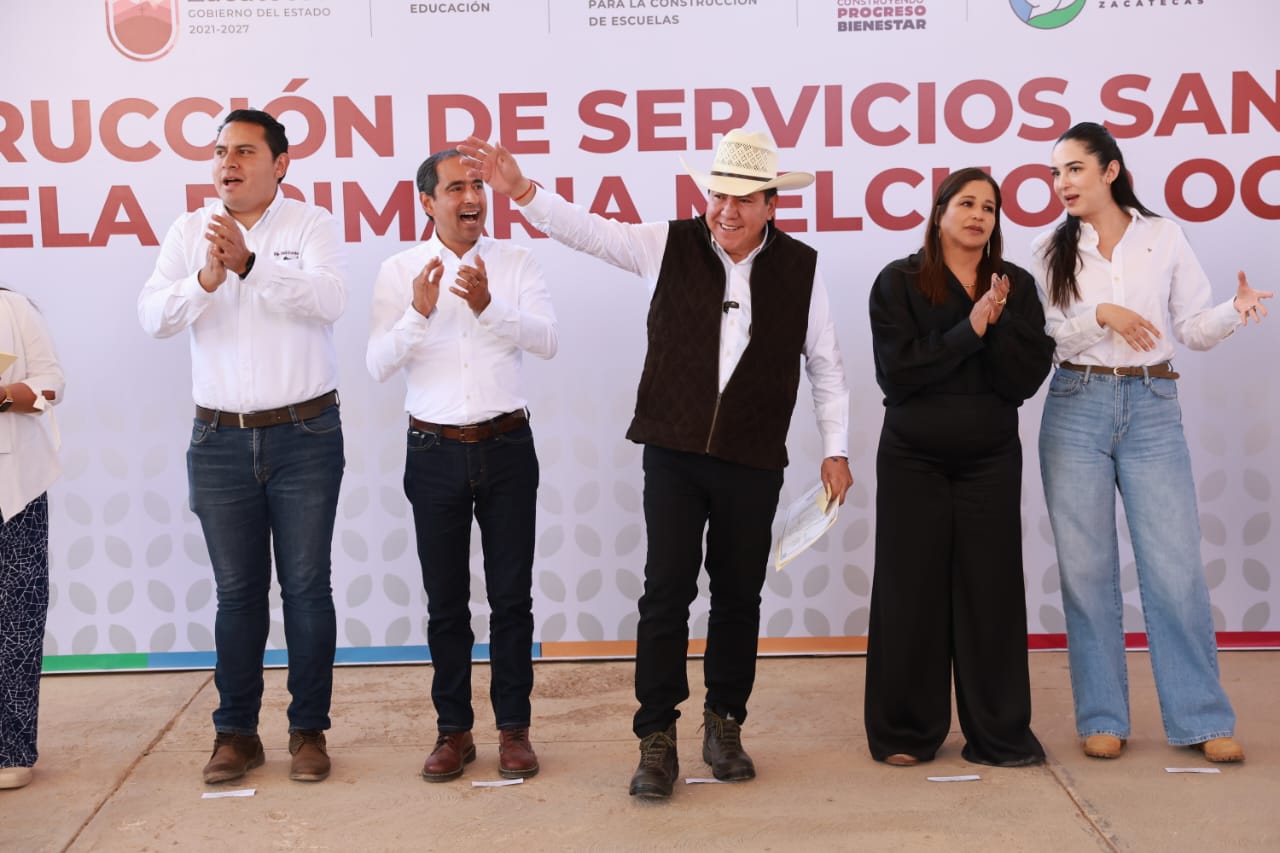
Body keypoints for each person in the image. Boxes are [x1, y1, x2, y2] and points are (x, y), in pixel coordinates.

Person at [459, 129, 854, 799]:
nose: (726, 210)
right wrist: (522, 190)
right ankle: (656, 736)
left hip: (754, 458)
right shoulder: (664, 244)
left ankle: (725, 723)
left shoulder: (802, 269)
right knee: (666, 592)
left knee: (739, 596)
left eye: (743, 199)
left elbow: (827, 366)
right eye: (717, 194)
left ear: (771, 205)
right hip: (673, 453)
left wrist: (835, 448)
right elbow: (589, 232)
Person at [1033, 121, 1271, 763]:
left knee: (1175, 568)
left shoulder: (1163, 235)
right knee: (1086, 573)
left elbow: (1190, 329)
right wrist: (1101, 315)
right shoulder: (1048, 248)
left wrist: (1232, 310)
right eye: (1056, 173)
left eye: (1074, 169)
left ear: (1110, 170)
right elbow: (1049, 335)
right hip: (1075, 405)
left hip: (1152, 405)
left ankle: (1201, 718)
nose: (1062, 183)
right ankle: (1101, 715)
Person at [138, 109, 347, 785]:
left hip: (305, 435)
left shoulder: (310, 224)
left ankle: (308, 731)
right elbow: (152, 317)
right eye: (221, 151)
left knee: (307, 588)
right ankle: (236, 734)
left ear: (280, 163)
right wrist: (206, 279)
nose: (227, 162)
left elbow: (329, 300)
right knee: (236, 593)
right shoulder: (188, 230)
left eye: (245, 151)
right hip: (219, 438)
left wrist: (250, 265)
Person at [367, 149, 557, 782]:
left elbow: (548, 340)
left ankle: (514, 731)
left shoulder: (516, 262)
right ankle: (454, 731)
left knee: (511, 599)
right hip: (433, 452)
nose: (472, 197)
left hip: (507, 447)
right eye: (456, 187)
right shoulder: (399, 271)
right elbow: (377, 364)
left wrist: (490, 307)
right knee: (446, 603)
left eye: (478, 185)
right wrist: (418, 313)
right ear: (428, 202)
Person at [864, 169, 1054, 768]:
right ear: (940, 212)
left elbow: (1024, 378)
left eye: (989, 208)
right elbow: (898, 374)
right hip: (912, 458)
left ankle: (998, 733)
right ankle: (904, 731)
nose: (978, 216)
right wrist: (970, 329)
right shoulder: (898, 281)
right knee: (909, 590)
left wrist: (996, 322)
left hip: (990, 459)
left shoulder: (1015, 285)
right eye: (967, 203)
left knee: (991, 592)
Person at [0, 287, 64, 791]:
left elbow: (50, 386)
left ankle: (11, 749)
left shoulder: (12, 308)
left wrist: (4, 394)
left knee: (16, 619)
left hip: (13, 487)